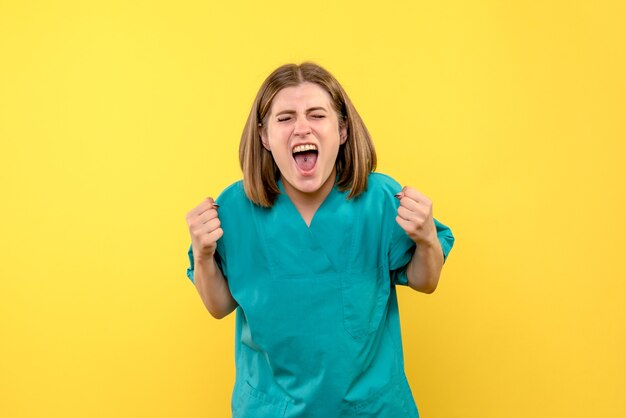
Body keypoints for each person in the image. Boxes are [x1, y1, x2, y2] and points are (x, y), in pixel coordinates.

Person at [185, 62, 454, 417]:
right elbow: (219, 306)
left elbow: (425, 281)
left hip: (370, 408)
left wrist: (426, 239)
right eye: (285, 118)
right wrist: (204, 255)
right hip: (272, 409)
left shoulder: (380, 199)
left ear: (342, 129)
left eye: (317, 115)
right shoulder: (234, 209)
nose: (301, 128)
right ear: (264, 136)